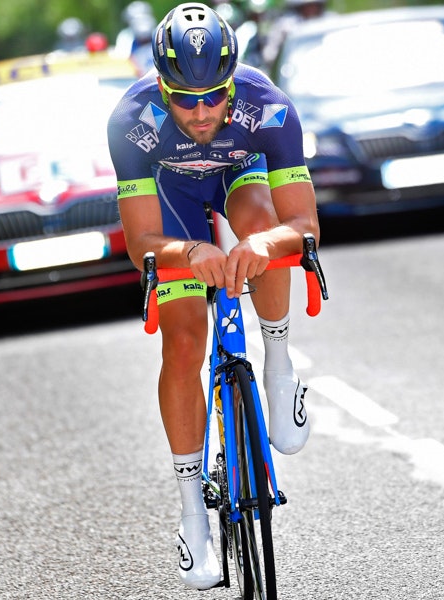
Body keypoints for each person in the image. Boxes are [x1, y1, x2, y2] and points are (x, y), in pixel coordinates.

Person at [106, 2, 319, 590]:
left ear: (232, 84)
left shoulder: (267, 107)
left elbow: (302, 227)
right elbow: (141, 242)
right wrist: (189, 254)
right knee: (182, 343)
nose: (201, 113)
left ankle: (278, 365)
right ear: (161, 87)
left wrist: (263, 244)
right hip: (169, 198)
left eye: (213, 96)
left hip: (238, 173)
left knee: (261, 231)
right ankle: (192, 510)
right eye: (184, 98)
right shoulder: (131, 121)